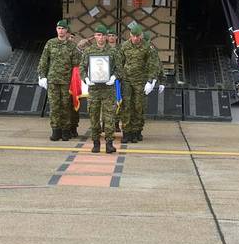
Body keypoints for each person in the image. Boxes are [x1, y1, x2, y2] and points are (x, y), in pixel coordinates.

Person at [79, 24, 119, 153]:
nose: (101, 38)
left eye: (103, 35)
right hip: (94, 89)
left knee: (109, 117)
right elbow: (81, 68)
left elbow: (120, 68)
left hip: (108, 90)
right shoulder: (89, 51)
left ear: (107, 37)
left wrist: (114, 77)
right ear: (95, 36)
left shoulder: (113, 51)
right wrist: (86, 79)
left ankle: (109, 143)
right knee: (94, 117)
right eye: (98, 35)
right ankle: (96, 143)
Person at [37, 19, 78, 141]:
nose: (61, 31)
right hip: (53, 80)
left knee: (66, 106)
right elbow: (43, 61)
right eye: (59, 28)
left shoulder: (72, 46)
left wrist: (76, 81)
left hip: (66, 81)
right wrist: (42, 75)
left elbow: (76, 65)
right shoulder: (50, 43)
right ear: (56, 30)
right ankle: (56, 130)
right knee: (54, 106)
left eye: (63, 29)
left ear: (66, 31)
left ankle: (66, 130)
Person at [118, 23, 154, 143]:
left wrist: (150, 81)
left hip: (140, 81)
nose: (135, 38)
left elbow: (151, 65)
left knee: (138, 106)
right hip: (127, 80)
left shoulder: (147, 47)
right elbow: (120, 63)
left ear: (141, 36)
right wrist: (118, 77)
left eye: (138, 36)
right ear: (130, 35)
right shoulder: (125, 46)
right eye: (133, 36)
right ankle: (127, 132)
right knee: (126, 106)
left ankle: (136, 131)